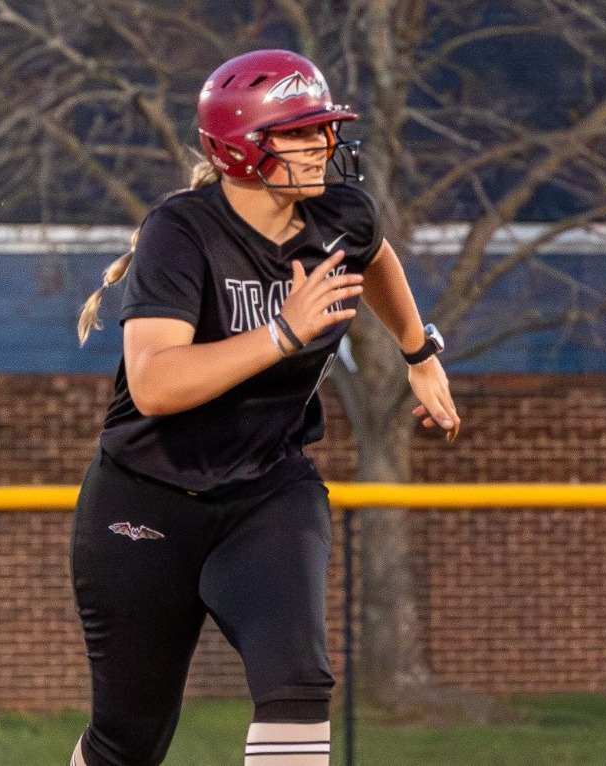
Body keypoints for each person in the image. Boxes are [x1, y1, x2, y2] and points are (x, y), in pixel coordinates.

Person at [70, 48, 460, 766]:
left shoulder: (339, 214)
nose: (325, 145)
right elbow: (154, 384)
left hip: (266, 490)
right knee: (129, 739)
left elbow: (374, 255)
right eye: (303, 132)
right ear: (243, 148)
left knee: (296, 684)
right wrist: (281, 334)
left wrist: (417, 351)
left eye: (324, 129)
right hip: (145, 501)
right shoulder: (180, 232)